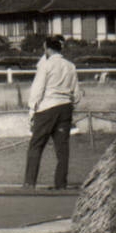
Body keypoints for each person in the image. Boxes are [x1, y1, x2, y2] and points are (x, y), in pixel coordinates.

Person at [23, 35, 81, 191]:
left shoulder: (46, 65)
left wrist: (31, 109)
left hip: (47, 107)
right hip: (65, 107)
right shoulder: (70, 66)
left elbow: (37, 89)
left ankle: (29, 183)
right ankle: (60, 184)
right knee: (62, 149)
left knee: (36, 145)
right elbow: (77, 93)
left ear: (47, 49)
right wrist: (70, 105)